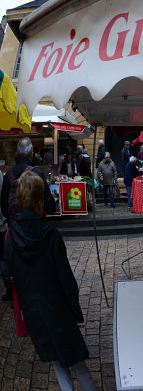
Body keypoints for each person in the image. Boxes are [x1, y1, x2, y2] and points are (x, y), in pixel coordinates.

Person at [0, 171, 97, 391]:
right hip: (57, 308)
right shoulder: (51, 235)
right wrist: (74, 310)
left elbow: (7, 273)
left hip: (33, 310)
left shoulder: (11, 235)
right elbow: (65, 278)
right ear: (40, 200)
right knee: (76, 362)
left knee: (57, 361)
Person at [1, 137, 57, 301]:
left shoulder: (8, 176)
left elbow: (4, 209)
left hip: (15, 232)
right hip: (37, 235)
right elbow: (51, 208)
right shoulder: (37, 174)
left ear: (18, 153)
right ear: (32, 154)